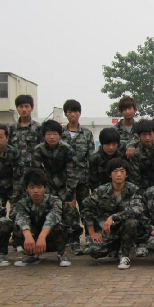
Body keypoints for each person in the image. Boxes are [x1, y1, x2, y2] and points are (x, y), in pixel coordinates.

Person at [81, 158, 142, 270]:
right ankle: (114, 247)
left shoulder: (133, 189)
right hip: (107, 230)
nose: (118, 174)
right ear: (110, 175)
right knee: (93, 251)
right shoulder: (101, 191)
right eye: (115, 171)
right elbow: (86, 208)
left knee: (132, 222)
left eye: (122, 171)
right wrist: (92, 232)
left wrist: (113, 217)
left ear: (127, 174)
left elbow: (137, 209)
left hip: (124, 228)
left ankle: (124, 256)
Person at [31, 120, 82, 253]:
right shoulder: (38, 150)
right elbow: (36, 172)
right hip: (46, 184)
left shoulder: (67, 148)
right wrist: (41, 192)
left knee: (70, 211)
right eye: (48, 134)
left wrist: (69, 194)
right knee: (46, 211)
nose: (52, 137)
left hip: (64, 184)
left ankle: (74, 240)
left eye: (55, 134)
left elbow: (72, 173)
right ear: (43, 136)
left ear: (60, 135)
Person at [13, 169, 71, 267]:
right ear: (26, 189)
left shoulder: (54, 201)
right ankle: (32, 255)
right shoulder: (22, 204)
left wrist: (42, 236)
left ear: (45, 188)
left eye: (39, 187)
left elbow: (52, 217)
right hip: (34, 239)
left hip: (50, 238)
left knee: (59, 226)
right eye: (32, 187)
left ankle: (62, 254)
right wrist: (28, 236)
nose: (36, 191)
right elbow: (22, 219)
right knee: (18, 227)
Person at [59, 99, 96, 254]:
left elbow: (91, 157)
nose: (73, 114)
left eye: (75, 111)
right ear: (66, 114)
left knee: (86, 207)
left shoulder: (86, 133)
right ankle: (74, 239)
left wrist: (90, 179)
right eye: (69, 111)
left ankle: (89, 236)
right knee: (70, 210)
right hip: (66, 180)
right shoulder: (60, 134)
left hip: (83, 179)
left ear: (80, 113)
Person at [129, 119, 154, 190]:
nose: (147, 138)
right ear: (139, 136)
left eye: (150, 134)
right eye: (144, 135)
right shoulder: (135, 152)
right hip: (143, 185)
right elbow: (135, 177)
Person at [8, 94, 42, 172]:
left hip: (33, 169)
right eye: (21, 106)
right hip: (15, 170)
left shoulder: (38, 128)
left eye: (27, 106)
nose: (24, 110)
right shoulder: (11, 128)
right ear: (17, 108)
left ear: (32, 108)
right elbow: (8, 148)